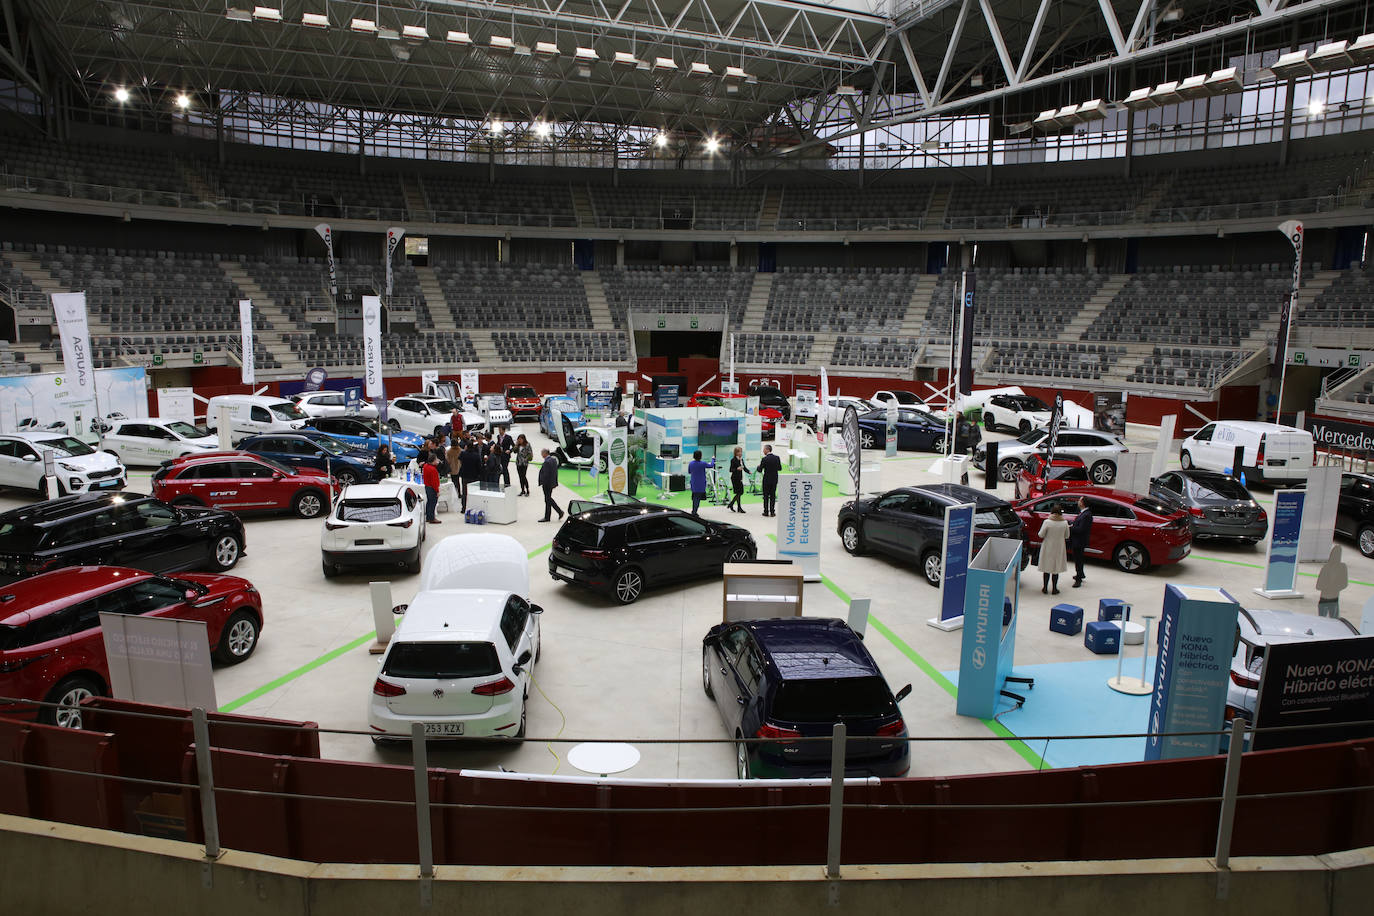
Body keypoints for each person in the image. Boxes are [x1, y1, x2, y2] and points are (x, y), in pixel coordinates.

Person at [1037, 506, 1070, 595]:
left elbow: (1041, 534)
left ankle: (1045, 587)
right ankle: (1054, 588)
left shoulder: (1047, 522)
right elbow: (1067, 536)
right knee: (1056, 569)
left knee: (1046, 568)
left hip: (1048, 546)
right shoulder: (1064, 523)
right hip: (1059, 547)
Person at [1069, 496, 1094, 588]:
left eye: (1079, 500)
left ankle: (1078, 578)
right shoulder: (1083, 513)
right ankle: (1080, 573)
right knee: (1078, 558)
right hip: (1078, 540)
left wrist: (1071, 528)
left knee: (1078, 559)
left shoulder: (1086, 515)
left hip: (1079, 541)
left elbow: (1081, 529)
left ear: (1083, 503)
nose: (1078, 502)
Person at [538, 448, 563, 522]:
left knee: (548, 499)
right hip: (551, 483)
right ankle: (549, 516)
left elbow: (546, 474)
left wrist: (542, 482)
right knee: (548, 499)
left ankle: (558, 512)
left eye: (542, 453)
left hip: (547, 484)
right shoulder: (553, 460)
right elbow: (555, 473)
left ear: (545, 453)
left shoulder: (547, 462)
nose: (541, 455)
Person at [756, 444, 782, 517]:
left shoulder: (764, 459)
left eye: (764, 449)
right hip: (774, 479)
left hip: (766, 479)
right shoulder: (777, 458)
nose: (763, 451)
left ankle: (766, 511)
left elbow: (760, 470)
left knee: (766, 496)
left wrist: (758, 467)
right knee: (773, 495)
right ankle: (772, 512)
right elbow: (779, 468)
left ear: (767, 450)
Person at [687, 449, 715, 516]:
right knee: (698, 498)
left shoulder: (691, 463)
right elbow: (711, 465)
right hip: (701, 483)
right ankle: (694, 512)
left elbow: (689, 472)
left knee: (695, 498)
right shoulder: (703, 463)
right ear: (700, 456)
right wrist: (713, 459)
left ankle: (694, 510)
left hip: (694, 483)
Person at [458, 439, 483, 511]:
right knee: (474, 492)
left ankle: (463, 508)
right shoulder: (476, 455)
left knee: (464, 493)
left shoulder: (463, 454)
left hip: (465, 475)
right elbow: (479, 466)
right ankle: (474, 507)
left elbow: (459, 459)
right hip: (474, 476)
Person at [421, 454, 442, 525]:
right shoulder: (433, 470)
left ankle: (428, 517)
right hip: (432, 488)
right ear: (433, 461)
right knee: (433, 503)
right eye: (436, 459)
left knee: (429, 502)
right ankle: (432, 518)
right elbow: (434, 482)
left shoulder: (426, 466)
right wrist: (437, 491)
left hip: (427, 486)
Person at [727, 446, 745, 513]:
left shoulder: (741, 460)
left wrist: (748, 471)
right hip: (735, 478)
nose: (741, 453)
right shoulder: (733, 460)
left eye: (741, 451)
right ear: (736, 453)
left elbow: (744, 467)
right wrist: (737, 469)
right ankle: (734, 505)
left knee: (739, 493)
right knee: (739, 492)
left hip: (740, 478)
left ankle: (735, 505)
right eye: (740, 451)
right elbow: (731, 469)